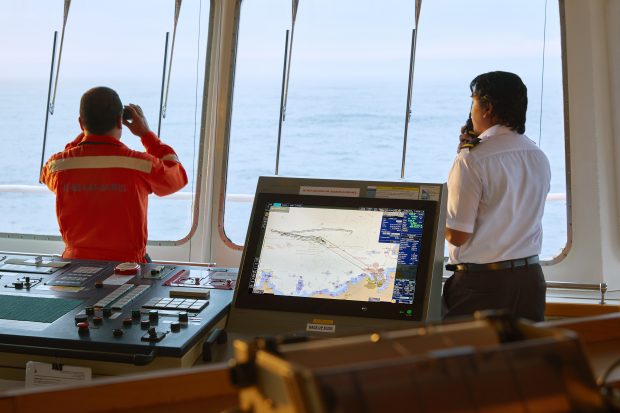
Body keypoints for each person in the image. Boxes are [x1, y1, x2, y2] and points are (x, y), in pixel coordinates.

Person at [442, 71, 551, 322]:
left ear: (487, 108)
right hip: (530, 282)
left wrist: (430, 221)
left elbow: (458, 234)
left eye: (473, 102)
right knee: (521, 359)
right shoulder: (537, 155)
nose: (471, 112)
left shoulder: (472, 160)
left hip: (482, 286)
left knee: (469, 361)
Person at [41, 86, 188, 263]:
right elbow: (177, 177)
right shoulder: (140, 164)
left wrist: (86, 136)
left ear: (81, 123)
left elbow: (46, 174)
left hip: (74, 264)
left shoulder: (58, 165)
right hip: (127, 267)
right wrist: (146, 135)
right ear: (120, 121)